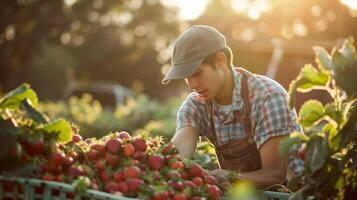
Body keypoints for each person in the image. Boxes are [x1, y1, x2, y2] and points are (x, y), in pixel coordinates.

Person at [162, 25, 304, 188]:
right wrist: (158, 164)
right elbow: (180, 148)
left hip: (291, 193)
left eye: (197, 72)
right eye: (187, 77)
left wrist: (228, 176)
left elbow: (275, 174)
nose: (192, 84)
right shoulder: (197, 104)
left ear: (220, 61)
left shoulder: (268, 97)